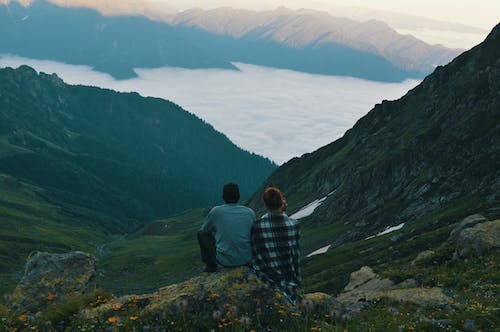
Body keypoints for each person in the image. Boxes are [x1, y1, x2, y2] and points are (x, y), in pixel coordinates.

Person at [251, 187, 301, 304]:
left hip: (268, 280)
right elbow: (295, 256)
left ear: (266, 205)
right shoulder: (294, 225)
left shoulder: (257, 227)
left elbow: (255, 256)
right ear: (282, 202)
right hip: (289, 280)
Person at [198, 183, 256, 272]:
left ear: (223, 197)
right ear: (238, 196)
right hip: (246, 259)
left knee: (201, 233)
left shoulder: (216, 211)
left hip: (225, 261)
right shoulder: (250, 212)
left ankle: (211, 266)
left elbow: (205, 230)